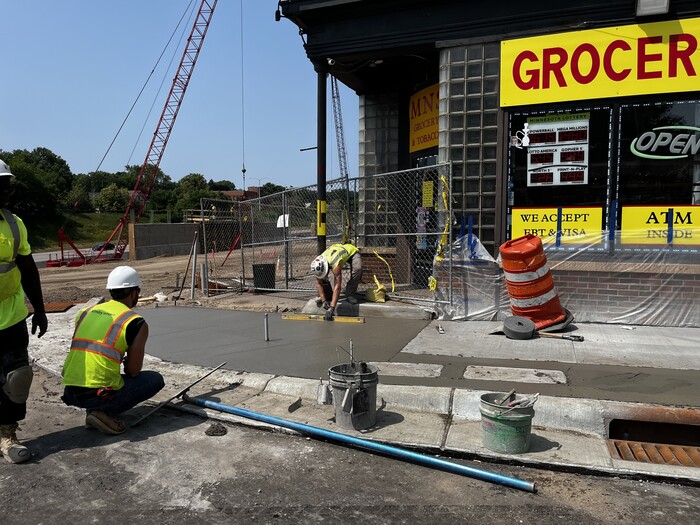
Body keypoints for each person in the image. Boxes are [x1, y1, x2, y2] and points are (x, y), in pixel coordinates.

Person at [61, 265, 164, 435]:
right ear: (133, 293)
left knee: (102, 377)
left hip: (71, 390)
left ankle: (94, 411)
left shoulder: (85, 312)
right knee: (154, 380)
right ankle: (101, 412)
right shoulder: (135, 322)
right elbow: (133, 371)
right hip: (99, 394)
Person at [0, 159, 48, 464]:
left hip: (12, 316)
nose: (6, 190)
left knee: (17, 378)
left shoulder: (15, 224)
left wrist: (40, 310)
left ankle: (7, 434)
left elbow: (29, 271)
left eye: (7, 184)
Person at [310, 242, 363, 320]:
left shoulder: (335, 263)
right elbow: (319, 283)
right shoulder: (318, 262)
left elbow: (337, 287)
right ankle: (328, 296)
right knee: (323, 278)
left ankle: (350, 293)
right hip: (336, 251)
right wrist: (324, 300)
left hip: (351, 252)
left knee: (358, 268)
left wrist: (332, 307)